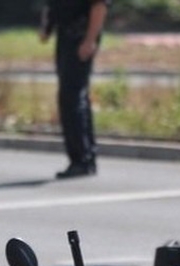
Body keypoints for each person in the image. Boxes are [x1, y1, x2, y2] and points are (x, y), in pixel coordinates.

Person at [40, 0, 110, 179]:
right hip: (65, 34)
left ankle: (82, 159)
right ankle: (84, 157)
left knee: (72, 97)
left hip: (81, 34)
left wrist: (90, 40)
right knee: (73, 96)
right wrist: (47, 27)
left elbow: (99, 5)